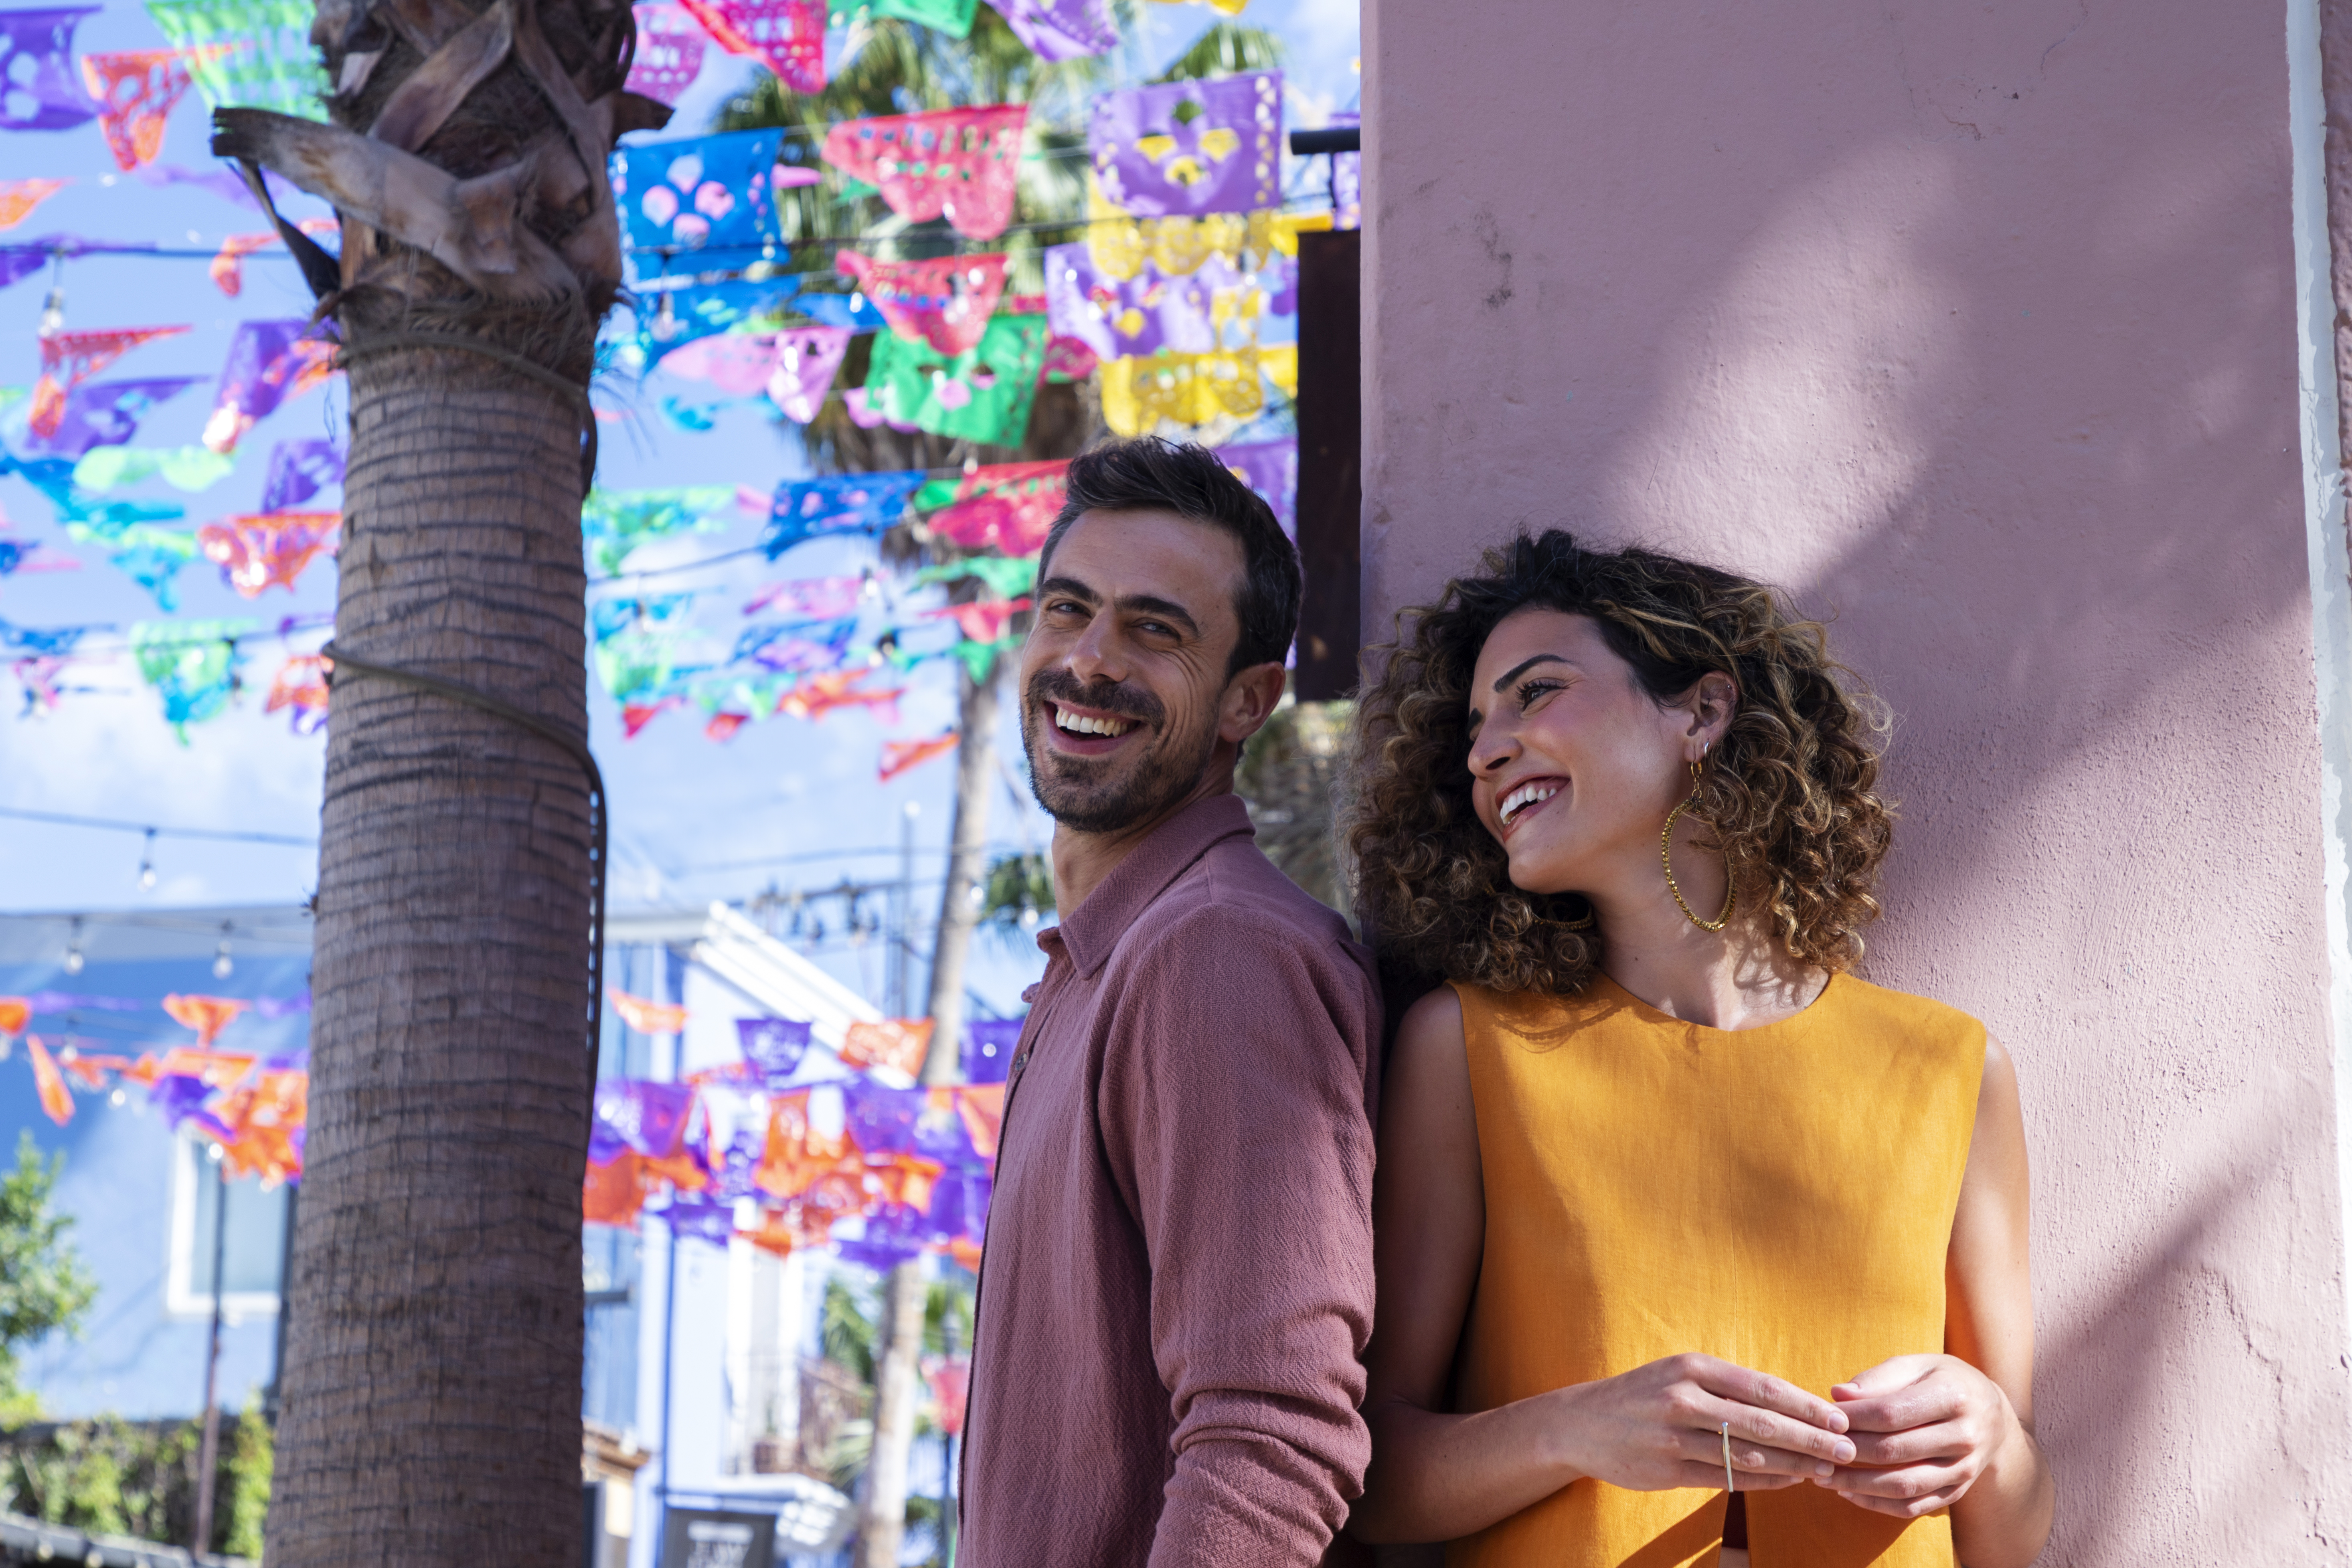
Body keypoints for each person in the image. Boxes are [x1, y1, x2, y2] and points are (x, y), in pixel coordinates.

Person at [1340, 531, 2054, 1567]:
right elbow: (1374, 1484)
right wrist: (1573, 1428)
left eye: (1533, 694)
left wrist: (1986, 1434)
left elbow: (2010, 1541)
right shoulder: (1466, 1049)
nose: (1484, 748)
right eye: (1474, 725)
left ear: (1702, 713)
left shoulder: (1950, 1069)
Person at [958, 437, 1384, 1566]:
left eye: (1155, 630)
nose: (1089, 662)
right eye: (1067, 609)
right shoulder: (1099, 965)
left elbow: (1272, 1437)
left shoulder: (1215, 953)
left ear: (1249, 699)